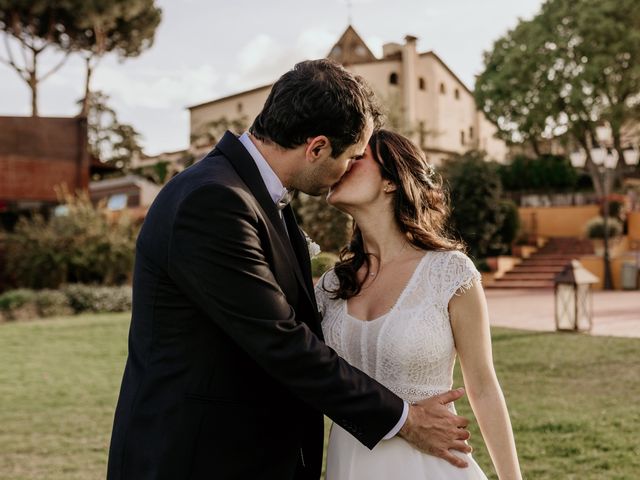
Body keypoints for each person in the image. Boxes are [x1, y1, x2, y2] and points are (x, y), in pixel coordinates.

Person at [106, 60, 472, 480]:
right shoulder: (214, 200)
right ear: (316, 148)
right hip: (195, 458)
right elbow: (280, 340)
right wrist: (404, 420)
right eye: (350, 157)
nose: (347, 170)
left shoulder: (256, 198)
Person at [316, 129, 522, 480]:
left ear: (391, 182)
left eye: (358, 157)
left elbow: (483, 387)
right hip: (348, 465)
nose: (343, 163)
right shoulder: (331, 286)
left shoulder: (450, 272)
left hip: (430, 467)